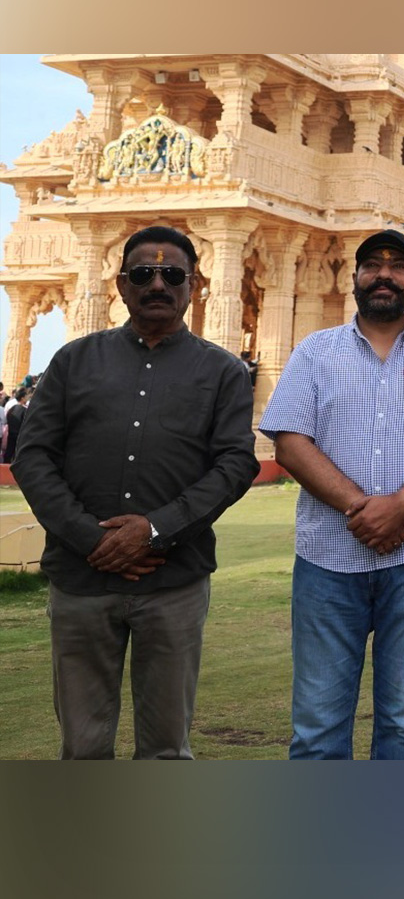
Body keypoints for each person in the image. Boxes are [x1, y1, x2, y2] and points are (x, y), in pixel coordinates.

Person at [12, 225, 259, 758]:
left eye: (172, 275)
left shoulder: (221, 372)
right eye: (143, 273)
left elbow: (236, 463)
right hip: (82, 577)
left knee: (167, 748)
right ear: (120, 285)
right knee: (82, 744)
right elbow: (32, 455)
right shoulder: (74, 361)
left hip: (173, 581)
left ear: (194, 286)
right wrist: (88, 537)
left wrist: (156, 530)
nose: (158, 284)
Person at [259, 228, 404, 760]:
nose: (384, 274)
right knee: (317, 721)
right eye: (372, 265)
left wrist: (400, 505)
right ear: (353, 278)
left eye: (398, 266)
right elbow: (289, 442)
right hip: (329, 558)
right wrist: (362, 509)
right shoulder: (316, 351)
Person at [4, 386, 32, 464]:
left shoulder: (12, 408)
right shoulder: (24, 411)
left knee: (8, 453)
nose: (27, 398)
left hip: (11, 434)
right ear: (22, 398)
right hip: (20, 437)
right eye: (26, 397)